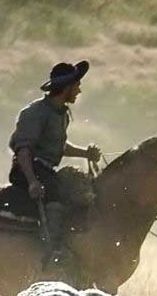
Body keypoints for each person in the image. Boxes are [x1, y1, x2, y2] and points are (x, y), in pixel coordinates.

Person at [7, 60, 101, 266]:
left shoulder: (60, 114)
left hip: (44, 170)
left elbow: (59, 145)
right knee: (56, 195)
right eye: (76, 86)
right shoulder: (36, 113)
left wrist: (85, 153)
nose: (79, 90)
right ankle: (53, 251)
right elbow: (23, 151)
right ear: (67, 88)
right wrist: (32, 181)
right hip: (27, 169)